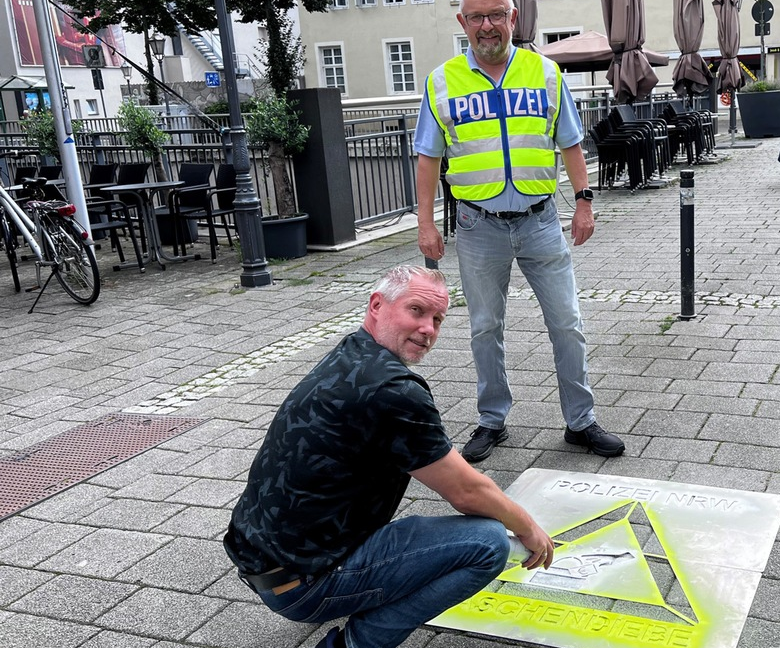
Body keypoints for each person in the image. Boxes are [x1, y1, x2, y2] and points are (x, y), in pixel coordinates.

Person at [224, 265, 556, 648]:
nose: (428, 329)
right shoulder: (393, 390)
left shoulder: (353, 352)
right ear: (377, 305)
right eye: (416, 310)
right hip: (302, 584)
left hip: (263, 559)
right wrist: (528, 528)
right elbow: (467, 491)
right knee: (488, 543)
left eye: (438, 319)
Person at [414, 0, 624, 463]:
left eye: (496, 15)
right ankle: (492, 419)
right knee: (485, 327)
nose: (487, 26)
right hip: (477, 225)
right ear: (462, 22)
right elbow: (427, 157)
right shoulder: (442, 81)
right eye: (476, 17)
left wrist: (584, 201)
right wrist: (425, 223)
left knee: (567, 322)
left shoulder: (544, 73)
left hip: (540, 220)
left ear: (513, 18)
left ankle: (580, 421)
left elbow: (571, 142)